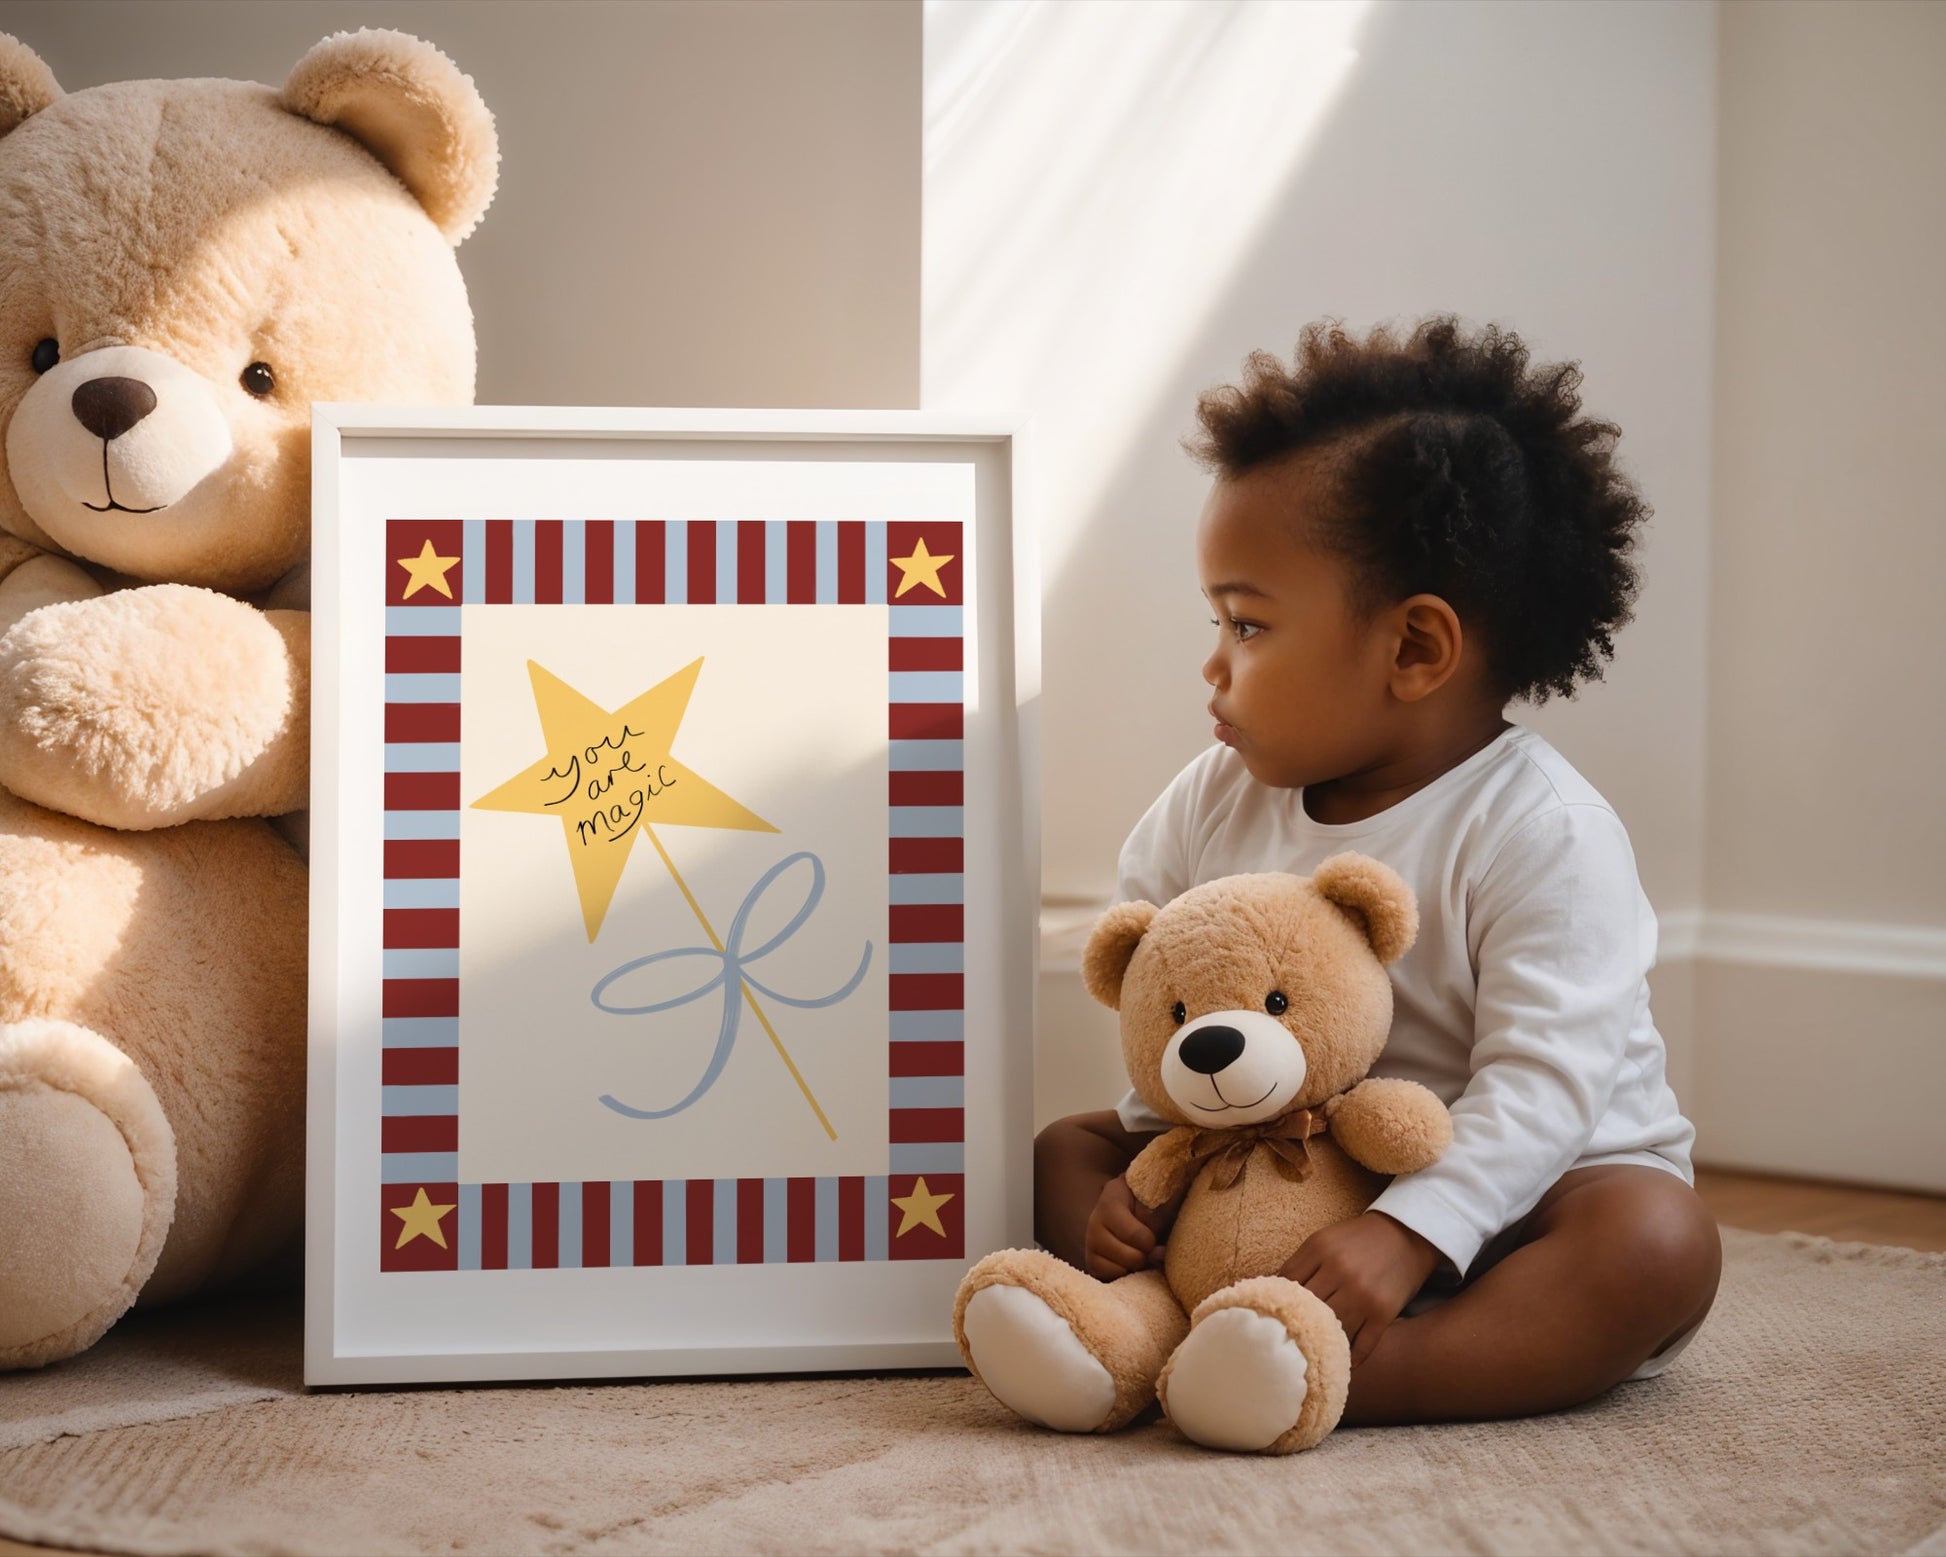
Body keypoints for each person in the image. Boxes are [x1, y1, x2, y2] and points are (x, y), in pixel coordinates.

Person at [1034, 317, 1721, 1425]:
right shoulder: (1209, 799)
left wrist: (1410, 1232)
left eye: (1247, 625)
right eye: (1215, 620)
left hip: (1515, 1204)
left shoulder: (1539, 829)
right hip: (1268, 1171)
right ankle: (1139, 1315)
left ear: (1412, 650)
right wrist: (1149, 1183)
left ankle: (1338, 1375)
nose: (1211, 665)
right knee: (1063, 1151)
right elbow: (1159, 1007)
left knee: (1654, 1242)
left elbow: (1542, 1089)